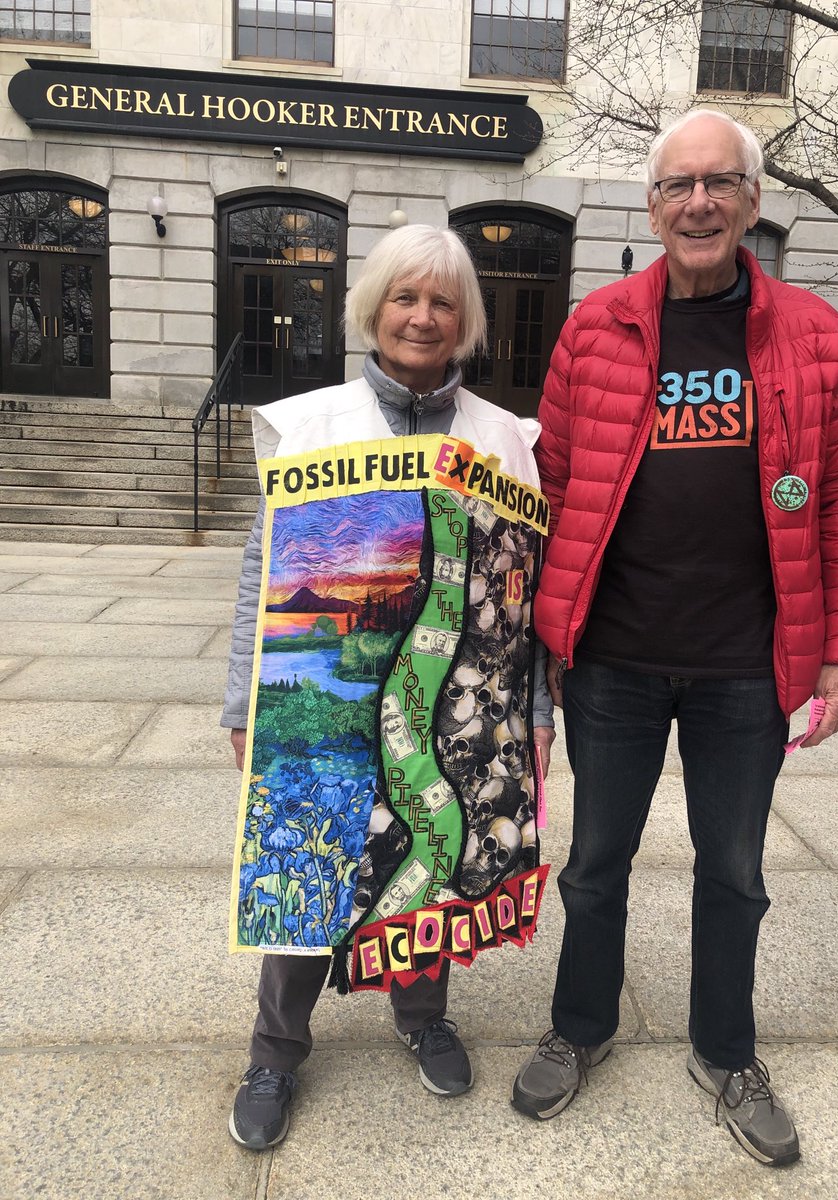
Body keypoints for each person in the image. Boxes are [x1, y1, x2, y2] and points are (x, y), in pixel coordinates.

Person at [512, 111, 838, 1167]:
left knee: (734, 868)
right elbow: (548, 490)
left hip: (745, 663)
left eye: (721, 183)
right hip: (614, 657)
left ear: (753, 203)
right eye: (679, 186)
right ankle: (580, 1025)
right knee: (594, 859)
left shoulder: (815, 338)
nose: (700, 203)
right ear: (653, 206)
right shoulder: (595, 329)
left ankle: (726, 1053)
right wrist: (528, 650)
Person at [222, 224, 556, 1150]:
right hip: (333, 688)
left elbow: (524, 589)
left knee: (432, 845)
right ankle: (275, 1050)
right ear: (372, 308)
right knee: (307, 859)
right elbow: (265, 573)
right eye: (405, 298)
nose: (422, 317)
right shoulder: (312, 423)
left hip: (454, 700)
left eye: (443, 302)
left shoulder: (504, 439)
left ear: (465, 322)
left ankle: (422, 1015)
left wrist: (533, 708)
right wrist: (244, 705)